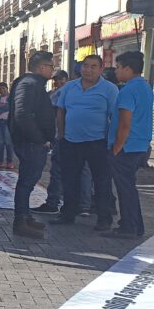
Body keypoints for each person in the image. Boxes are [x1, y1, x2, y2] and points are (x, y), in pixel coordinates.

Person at [49, 54, 117, 231]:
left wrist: (112, 141)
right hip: (71, 142)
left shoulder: (109, 89)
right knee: (69, 180)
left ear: (101, 69)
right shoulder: (70, 87)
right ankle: (68, 214)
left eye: (93, 66)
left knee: (102, 182)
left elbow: (115, 117)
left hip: (98, 142)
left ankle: (104, 218)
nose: (88, 69)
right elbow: (61, 111)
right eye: (85, 66)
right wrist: (61, 135)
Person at [104, 50, 152, 239]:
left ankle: (128, 227)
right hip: (139, 145)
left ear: (128, 68)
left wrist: (117, 146)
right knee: (129, 187)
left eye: (118, 67)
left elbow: (125, 122)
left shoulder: (128, 90)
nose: (116, 71)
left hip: (126, 146)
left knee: (125, 188)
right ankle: (135, 225)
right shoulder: (145, 87)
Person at [8, 50, 56, 239]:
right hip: (30, 143)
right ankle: (21, 220)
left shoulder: (34, 84)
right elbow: (22, 114)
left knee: (29, 182)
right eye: (51, 66)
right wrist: (39, 139)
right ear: (41, 67)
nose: (53, 70)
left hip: (33, 142)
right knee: (26, 182)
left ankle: (25, 216)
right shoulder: (29, 84)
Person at [32, 69, 70, 215]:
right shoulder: (52, 94)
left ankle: (54, 202)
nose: (58, 83)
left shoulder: (64, 93)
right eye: (56, 80)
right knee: (59, 170)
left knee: (59, 170)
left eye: (61, 80)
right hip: (56, 135)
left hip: (63, 136)